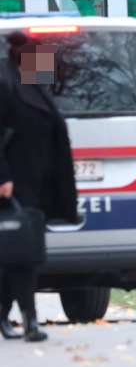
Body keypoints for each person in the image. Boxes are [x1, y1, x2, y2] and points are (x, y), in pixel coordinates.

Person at [0, 33, 78, 342]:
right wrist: (3, 177)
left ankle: (4, 314)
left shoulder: (34, 86)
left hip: (40, 181)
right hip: (14, 183)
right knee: (23, 255)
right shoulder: (6, 85)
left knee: (20, 252)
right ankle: (30, 321)